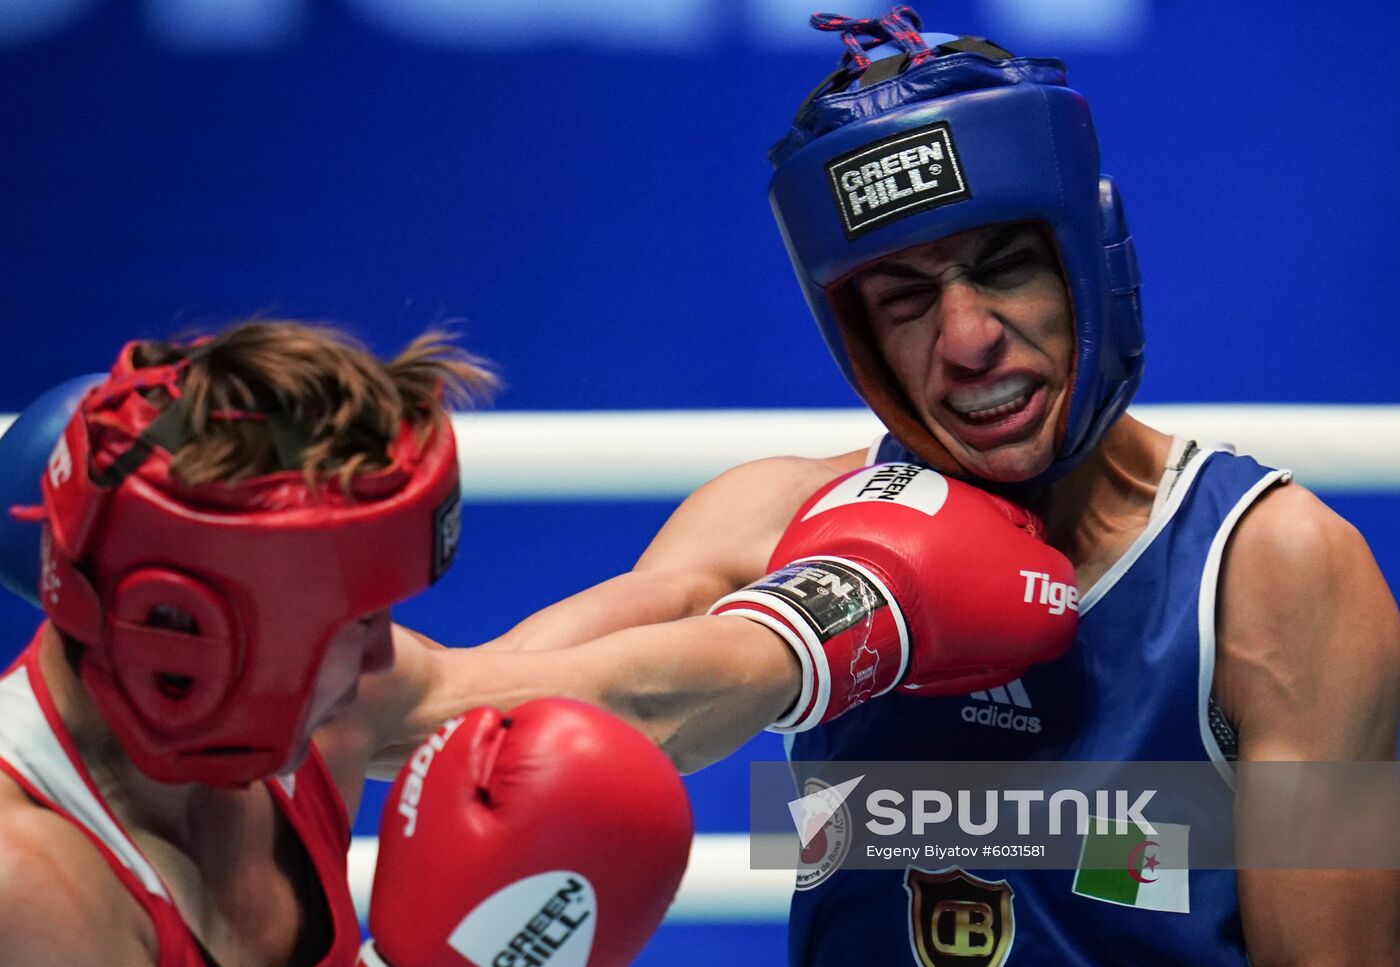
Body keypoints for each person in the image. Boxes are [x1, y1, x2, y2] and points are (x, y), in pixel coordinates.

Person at [397, 7, 1399, 965]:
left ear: (1086, 264)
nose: (966, 340)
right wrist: (337, 665)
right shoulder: (772, 521)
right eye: (905, 298)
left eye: (1003, 267)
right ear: (859, 337)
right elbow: (502, 700)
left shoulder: (1275, 571)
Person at [0, 321, 692, 967]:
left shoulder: (311, 711)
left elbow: (630, 692)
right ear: (193, 630)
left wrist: (763, 606)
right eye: (349, 620)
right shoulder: (32, 884)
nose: (380, 653)